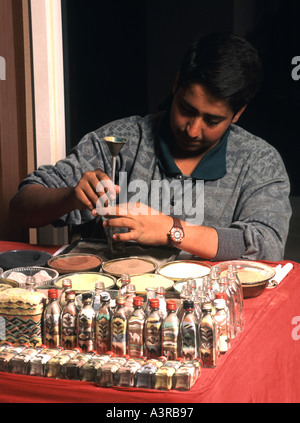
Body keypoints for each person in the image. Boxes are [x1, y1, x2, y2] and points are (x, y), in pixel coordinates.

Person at [10, 32, 291, 261]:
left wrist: (171, 230)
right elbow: (21, 207)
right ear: (176, 84)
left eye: (212, 120)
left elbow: (266, 244)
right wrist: (70, 197)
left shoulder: (259, 160)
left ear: (238, 113)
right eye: (186, 109)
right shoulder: (118, 141)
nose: (193, 129)